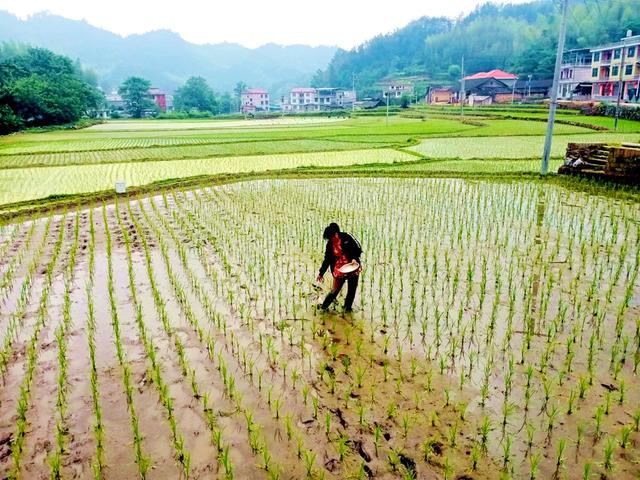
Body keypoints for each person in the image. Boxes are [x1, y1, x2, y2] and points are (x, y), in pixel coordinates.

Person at [316, 223, 362, 312]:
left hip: (352, 266)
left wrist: (354, 259)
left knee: (352, 290)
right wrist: (321, 273)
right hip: (339, 269)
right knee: (335, 290)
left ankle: (347, 309)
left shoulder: (347, 237)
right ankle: (324, 307)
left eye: (332, 238)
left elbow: (358, 248)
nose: (331, 240)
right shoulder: (330, 244)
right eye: (329, 239)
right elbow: (327, 259)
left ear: (336, 234)